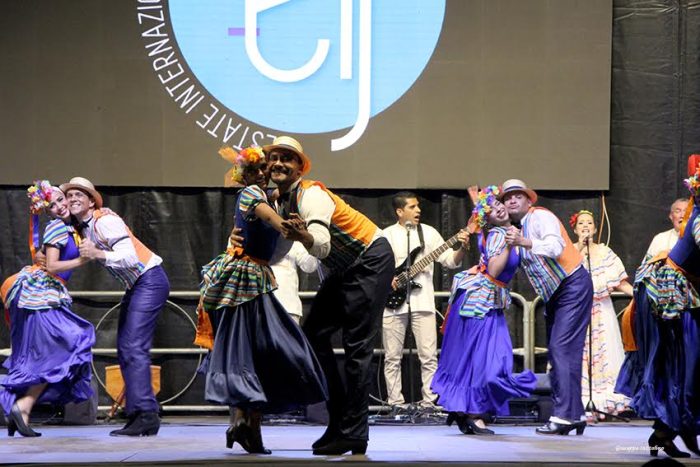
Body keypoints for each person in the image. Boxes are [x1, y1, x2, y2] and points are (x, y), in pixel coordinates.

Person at [264, 135, 394, 456]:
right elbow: (288, 253)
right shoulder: (279, 201)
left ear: (300, 169)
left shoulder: (312, 195)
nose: (278, 163)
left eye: (287, 158)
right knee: (312, 335)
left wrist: (304, 236)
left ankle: (354, 433)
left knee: (357, 347)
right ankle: (338, 422)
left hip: (370, 259)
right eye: (274, 157)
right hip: (344, 268)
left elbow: (320, 245)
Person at [194, 145, 327, 454]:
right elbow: (273, 222)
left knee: (255, 352)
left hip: (256, 279)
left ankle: (249, 429)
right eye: (261, 168)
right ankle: (242, 423)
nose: (266, 172)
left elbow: (264, 220)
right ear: (250, 174)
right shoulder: (253, 194)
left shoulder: (268, 197)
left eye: (266, 168)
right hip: (244, 281)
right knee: (248, 349)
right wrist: (293, 228)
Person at [61, 176, 170, 437]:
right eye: (70, 195)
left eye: (79, 194)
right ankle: (138, 413)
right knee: (125, 348)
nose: (73, 198)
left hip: (149, 279)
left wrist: (98, 253)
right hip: (136, 284)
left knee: (134, 346)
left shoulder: (105, 221)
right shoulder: (81, 226)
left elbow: (130, 257)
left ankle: (146, 414)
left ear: (91, 202)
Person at [432, 186, 536, 435]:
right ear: (487, 219)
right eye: (492, 210)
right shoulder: (501, 235)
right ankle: (472, 413)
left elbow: (482, 227)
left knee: (475, 359)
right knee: (489, 360)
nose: (499, 208)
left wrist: (479, 202)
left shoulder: (496, 232)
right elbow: (494, 270)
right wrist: (510, 244)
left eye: (499, 204)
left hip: (482, 302)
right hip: (479, 304)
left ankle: (466, 410)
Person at [615, 163, 700, 459]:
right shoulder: (699, 218)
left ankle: (675, 428)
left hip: (685, 296)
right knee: (682, 365)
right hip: (669, 299)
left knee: (686, 365)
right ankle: (671, 430)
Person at [0, 181, 95, 437]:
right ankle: (21, 406)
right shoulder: (56, 227)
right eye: (52, 205)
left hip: (47, 294)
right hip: (40, 295)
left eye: (61, 200)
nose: (60, 206)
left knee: (51, 356)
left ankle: (22, 409)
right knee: (71, 343)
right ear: (47, 210)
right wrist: (82, 259)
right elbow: (52, 266)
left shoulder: (69, 227)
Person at [501, 178, 593, 435]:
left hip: (572, 284)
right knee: (563, 353)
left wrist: (525, 242)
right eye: (507, 197)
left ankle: (563, 415)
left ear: (528, 200)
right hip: (556, 294)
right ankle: (575, 414)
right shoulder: (517, 229)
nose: (512, 200)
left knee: (561, 349)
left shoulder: (540, 217)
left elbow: (555, 246)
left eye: (518, 196)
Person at [382, 191, 468, 410]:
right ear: (399, 211)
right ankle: (396, 404)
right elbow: (374, 266)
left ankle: (430, 403)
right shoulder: (385, 235)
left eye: (418, 206)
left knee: (428, 357)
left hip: (423, 303)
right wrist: (386, 278)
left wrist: (461, 248)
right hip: (392, 305)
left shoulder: (428, 233)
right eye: (412, 207)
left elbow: (450, 261)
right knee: (392, 358)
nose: (418, 210)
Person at [569, 210, 633, 420]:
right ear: (575, 229)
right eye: (581, 223)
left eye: (589, 223)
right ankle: (581, 404)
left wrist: (640, 295)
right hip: (578, 309)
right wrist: (580, 247)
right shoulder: (569, 251)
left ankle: (604, 403)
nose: (585, 226)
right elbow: (562, 274)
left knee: (605, 352)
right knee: (581, 354)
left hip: (601, 309)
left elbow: (620, 283)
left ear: (595, 228)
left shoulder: (605, 252)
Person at [270, 241, 319, 325]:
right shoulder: (252, 238)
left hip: (288, 307)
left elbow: (310, 266)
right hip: (260, 307)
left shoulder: (293, 242)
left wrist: (314, 243)